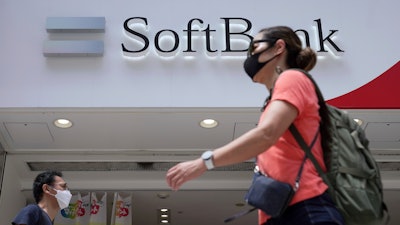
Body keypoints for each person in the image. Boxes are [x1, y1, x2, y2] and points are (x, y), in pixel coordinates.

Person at [166, 26, 344, 225]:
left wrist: (204, 162)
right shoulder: (274, 97)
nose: (250, 56)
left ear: (278, 47)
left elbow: (266, 134)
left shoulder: (292, 78)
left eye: (255, 47)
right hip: (282, 211)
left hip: (306, 208)